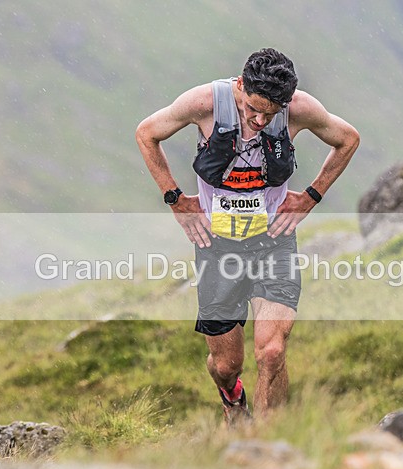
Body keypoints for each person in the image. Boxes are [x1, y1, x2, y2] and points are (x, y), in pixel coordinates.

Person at [136, 48, 359, 425]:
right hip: (216, 246)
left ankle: (268, 445)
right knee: (226, 364)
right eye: (252, 109)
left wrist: (310, 197)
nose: (259, 120)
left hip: (272, 242)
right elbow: (146, 133)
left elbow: (347, 139)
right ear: (240, 86)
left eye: (270, 114)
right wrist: (175, 199)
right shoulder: (205, 102)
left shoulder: (299, 109)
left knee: (271, 352)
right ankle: (233, 402)